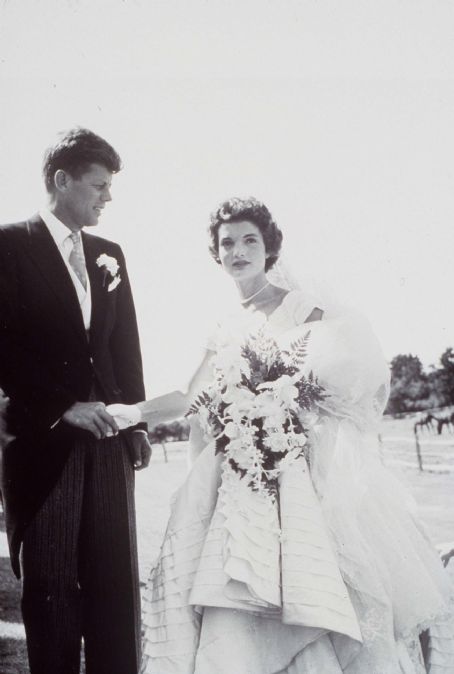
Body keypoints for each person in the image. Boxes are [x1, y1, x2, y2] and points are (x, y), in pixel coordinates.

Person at [109, 197, 454, 673]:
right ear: (216, 253)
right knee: (242, 591)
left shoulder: (301, 307)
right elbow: (194, 396)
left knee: (314, 585)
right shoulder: (223, 326)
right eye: (226, 243)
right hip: (241, 475)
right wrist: (134, 412)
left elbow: (341, 376)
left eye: (250, 240)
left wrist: (281, 407)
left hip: (299, 467)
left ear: (270, 247)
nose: (238, 251)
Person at [0, 127, 152, 674]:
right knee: (53, 590)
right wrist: (63, 405)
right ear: (62, 181)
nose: (107, 197)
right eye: (98, 186)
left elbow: (123, 346)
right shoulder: (8, 245)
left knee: (115, 586)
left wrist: (135, 423)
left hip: (110, 442)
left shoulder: (110, 255)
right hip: (46, 444)